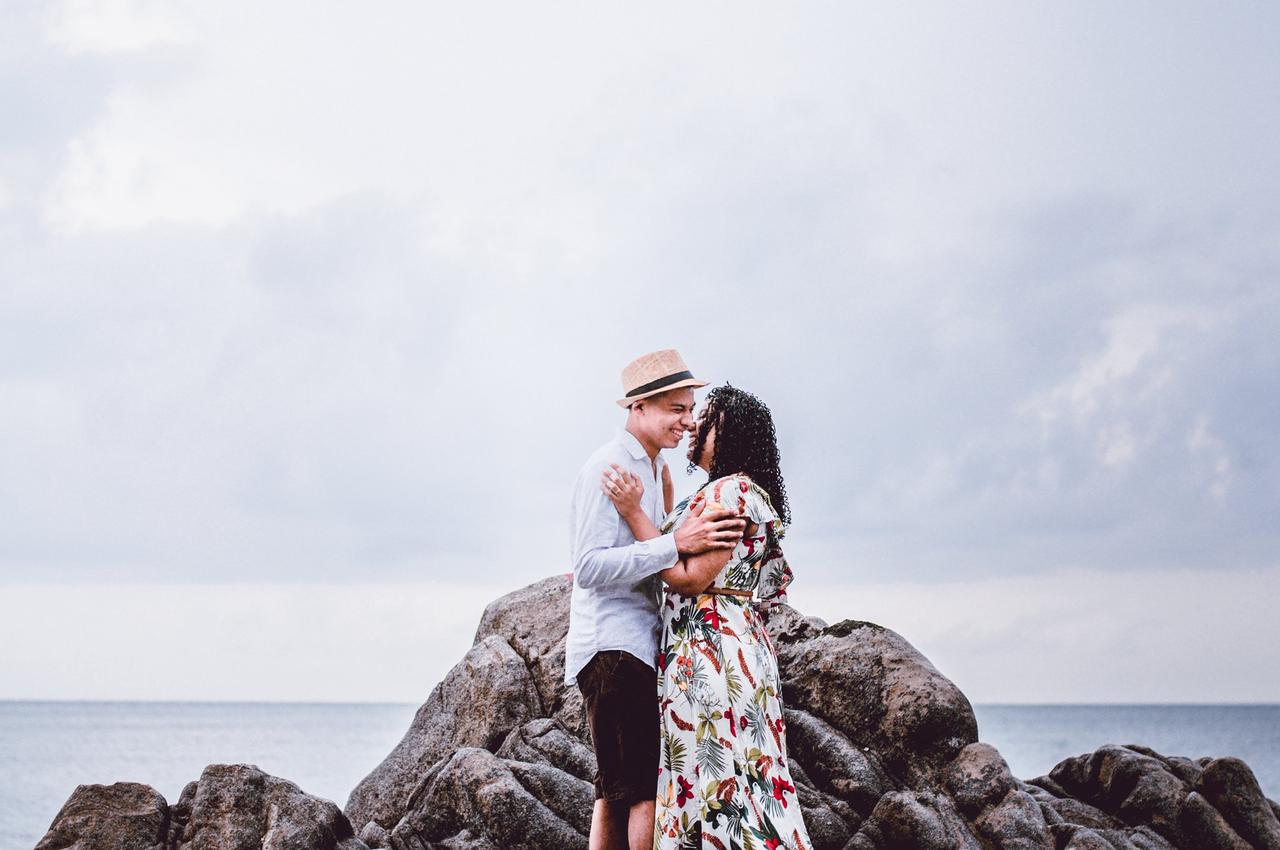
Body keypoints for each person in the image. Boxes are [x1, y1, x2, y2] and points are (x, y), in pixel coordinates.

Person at [602, 383, 811, 850]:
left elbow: (689, 578)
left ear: (730, 431)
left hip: (711, 651)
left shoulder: (734, 492)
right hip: (708, 646)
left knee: (722, 781)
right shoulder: (714, 492)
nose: (694, 424)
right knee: (724, 777)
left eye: (707, 417)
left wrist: (634, 513)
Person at [567, 349, 748, 850]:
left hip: (634, 646)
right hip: (613, 647)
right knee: (642, 791)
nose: (688, 422)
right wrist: (674, 544)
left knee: (617, 790)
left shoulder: (648, 470)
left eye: (691, 410)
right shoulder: (608, 468)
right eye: (677, 409)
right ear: (639, 408)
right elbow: (588, 567)